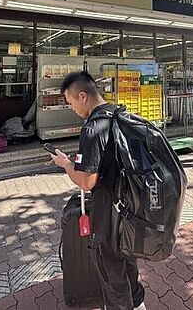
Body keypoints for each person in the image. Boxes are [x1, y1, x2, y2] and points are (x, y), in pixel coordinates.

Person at [51, 71, 146, 310]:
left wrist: (66, 164)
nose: (72, 108)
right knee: (129, 261)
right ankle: (138, 303)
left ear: (82, 96)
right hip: (131, 208)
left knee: (112, 273)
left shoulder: (93, 128)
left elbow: (86, 182)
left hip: (109, 214)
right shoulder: (121, 115)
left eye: (71, 102)